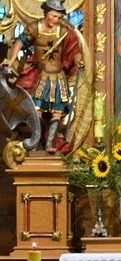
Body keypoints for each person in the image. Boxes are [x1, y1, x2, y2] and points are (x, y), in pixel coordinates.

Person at [1, 0, 83, 153]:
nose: (55, 20)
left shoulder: (63, 31)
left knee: (57, 112)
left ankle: (49, 144)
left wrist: (79, 61)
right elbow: (20, 42)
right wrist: (12, 60)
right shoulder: (34, 28)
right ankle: (35, 143)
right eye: (53, 16)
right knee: (36, 110)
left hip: (58, 78)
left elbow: (74, 49)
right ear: (46, 13)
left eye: (58, 17)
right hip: (42, 77)